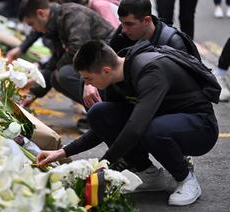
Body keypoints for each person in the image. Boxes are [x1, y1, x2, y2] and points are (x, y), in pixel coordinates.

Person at [37, 40, 219, 206]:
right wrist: (62, 152)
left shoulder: (150, 71)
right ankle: (149, 174)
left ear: (106, 70)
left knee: (151, 129)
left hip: (200, 128)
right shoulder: (116, 79)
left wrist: (101, 166)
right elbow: (101, 130)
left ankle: (186, 179)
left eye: (88, 79)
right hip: (160, 122)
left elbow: (135, 128)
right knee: (100, 113)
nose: (88, 85)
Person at [14, 0, 114, 109]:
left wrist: (44, 72)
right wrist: (33, 93)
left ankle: (106, 109)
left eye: (32, 24)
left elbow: (78, 48)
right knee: (54, 78)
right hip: (95, 61)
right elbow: (57, 58)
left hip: (107, 61)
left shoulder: (72, 14)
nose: (34, 29)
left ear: (41, 14)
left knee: (64, 74)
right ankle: (95, 110)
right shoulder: (56, 22)